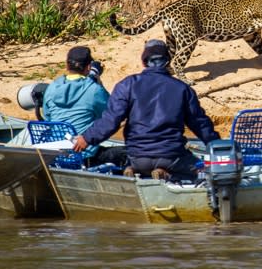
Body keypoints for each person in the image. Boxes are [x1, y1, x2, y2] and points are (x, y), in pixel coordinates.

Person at [72, 39, 220, 181]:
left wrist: (87, 138)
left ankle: (134, 169)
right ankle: (165, 174)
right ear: (168, 62)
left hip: (137, 156)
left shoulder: (127, 85)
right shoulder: (182, 89)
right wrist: (217, 145)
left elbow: (111, 120)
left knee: (133, 161)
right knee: (202, 171)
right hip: (172, 157)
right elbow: (200, 124)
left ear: (143, 62)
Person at [43, 45, 110, 135]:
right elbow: (110, 112)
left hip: (55, 144)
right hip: (83, 147)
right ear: (89, 67)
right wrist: (100, 85)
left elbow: (47, 117)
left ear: (67, 65)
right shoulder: (94, 90)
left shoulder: (52, 87)